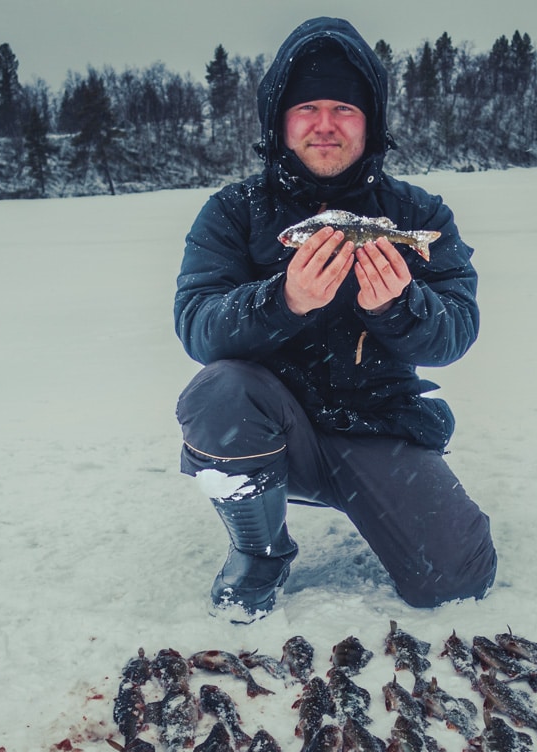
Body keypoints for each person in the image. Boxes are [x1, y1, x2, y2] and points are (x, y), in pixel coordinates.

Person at [174, 16, 497, 620]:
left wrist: (399, 307)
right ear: (280, 119)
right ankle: (260, 550)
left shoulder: (416, 212)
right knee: (219, 392)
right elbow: (197, 323)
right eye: (307, 108)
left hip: (378, 426)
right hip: (273, 429)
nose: (325, 125)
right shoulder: (233, 213)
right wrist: (284, 301)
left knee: (455, 580)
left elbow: (456, 330)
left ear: (370, 121)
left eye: (345, 108)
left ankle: (383, 501)